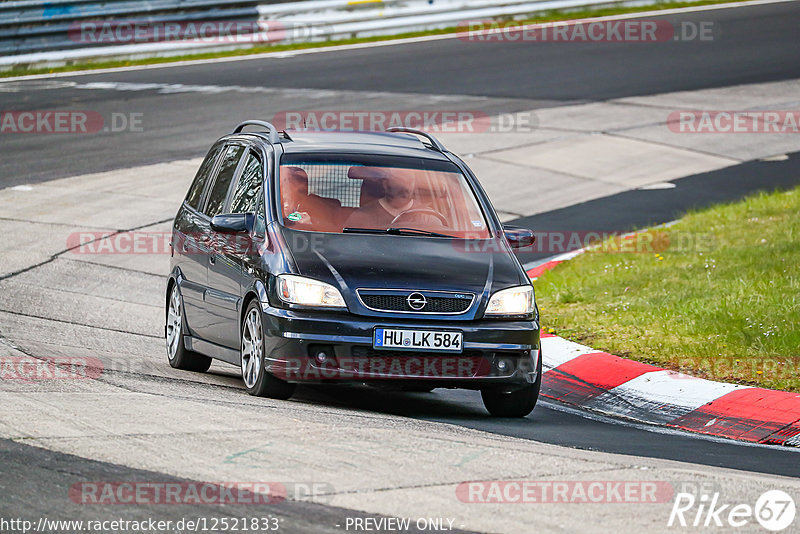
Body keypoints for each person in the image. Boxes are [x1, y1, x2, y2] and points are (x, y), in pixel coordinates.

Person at [343, 170, 418, 229]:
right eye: (400, 181)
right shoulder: (360, 217)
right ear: (385, 184)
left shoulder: (426, 215)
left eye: (410, 181)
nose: (406, 187)